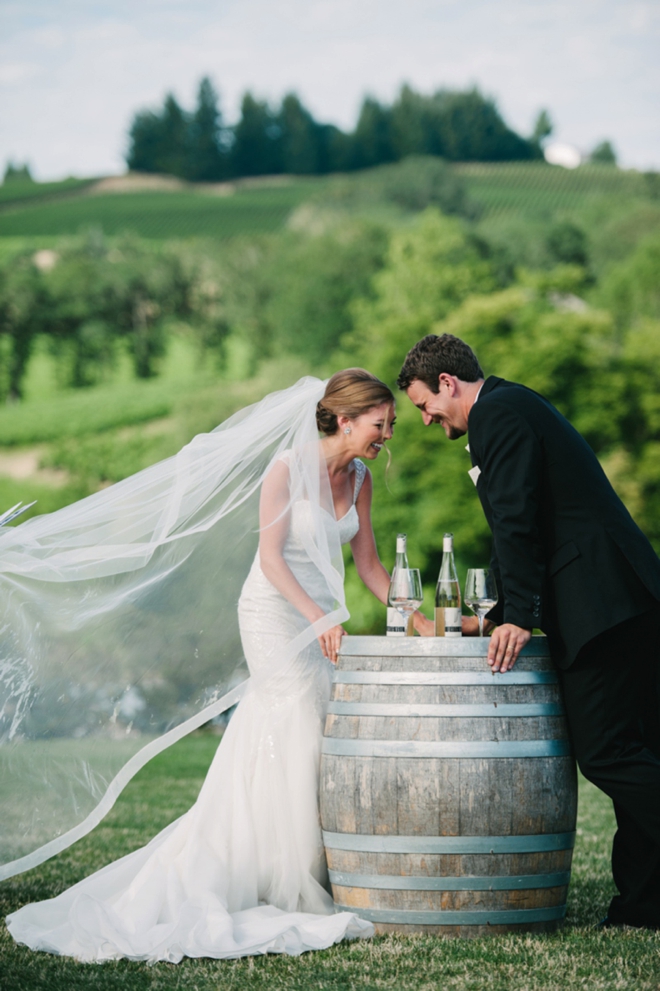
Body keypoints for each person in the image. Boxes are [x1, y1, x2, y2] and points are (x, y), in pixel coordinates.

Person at [6, 369, 423, 961]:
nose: (388, 435)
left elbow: (373, 567)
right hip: (275, 613)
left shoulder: (358, 479)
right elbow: (273, 561)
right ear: (347, 419)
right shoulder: (285, 470)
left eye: (391, 425)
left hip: (320, 619)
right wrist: (321, 619)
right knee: (299, 721)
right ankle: (281, 876)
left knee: (320, 728)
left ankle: (306, 864)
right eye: (381, 424)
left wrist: (423, 619)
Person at [397, 333, 660, 931]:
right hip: (627, 596)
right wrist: (491, 615)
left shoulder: (496, 415)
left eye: (422, 405)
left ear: (447, 383)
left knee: (610, 755)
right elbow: (541, 515)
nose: (425, 420)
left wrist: (518, 617)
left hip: (600, 605)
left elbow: (516, 518)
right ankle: (645, 907)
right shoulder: (515, 405)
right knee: (641, 753)